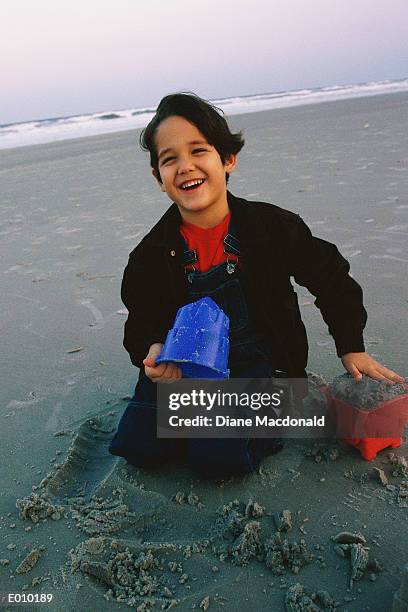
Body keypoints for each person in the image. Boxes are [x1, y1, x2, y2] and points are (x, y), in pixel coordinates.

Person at [109, 92, 403, 478]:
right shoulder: (150, 254)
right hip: (188, 371)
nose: (185, 167)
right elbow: (142, 318)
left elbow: (331, 277)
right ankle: (202, 422)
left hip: (264, 367)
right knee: (139, 448)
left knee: (218, 463)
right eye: (170, 159)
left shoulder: (271, 228)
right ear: (158, 179)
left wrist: (351, 346)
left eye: (199, 151)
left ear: (227, 159)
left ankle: (259, 424)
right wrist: (153, 350)